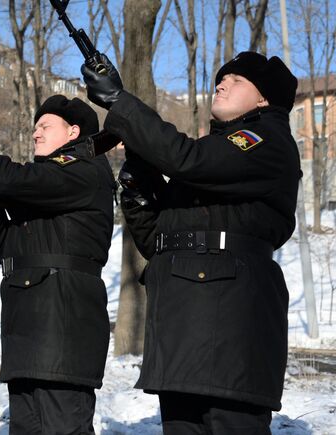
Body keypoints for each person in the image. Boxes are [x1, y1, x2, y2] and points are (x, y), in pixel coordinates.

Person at [82, 51, 300, 434]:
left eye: (236, 81)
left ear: (263, 98)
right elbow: (159, 240)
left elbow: (188, 160)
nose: (222, 84)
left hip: (232, 326)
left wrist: (121, 103)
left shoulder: (264, 138)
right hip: (183, 327)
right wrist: (139, 184)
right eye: (221, 78)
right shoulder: (215, 161)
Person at [0, 95, 116, 434]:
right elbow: (7, 250)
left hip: (63, 326)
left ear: (73, 132)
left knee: (63, 424)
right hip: (28, 328)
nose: (35, 133)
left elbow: (15, 180)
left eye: (45, 126)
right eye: (35, 127)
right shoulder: (48, 190)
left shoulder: (84, 171)